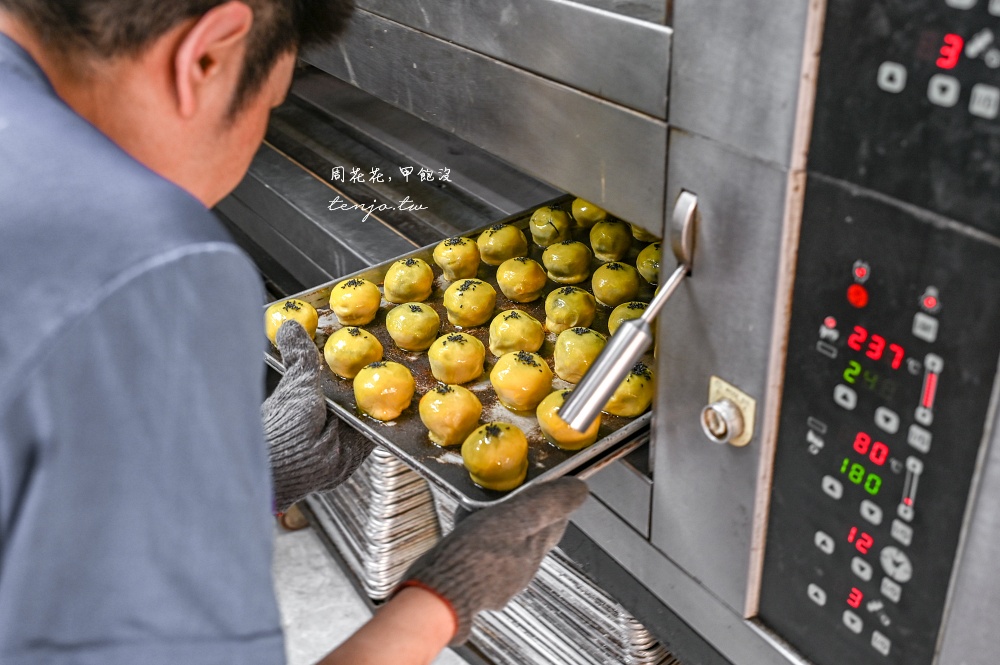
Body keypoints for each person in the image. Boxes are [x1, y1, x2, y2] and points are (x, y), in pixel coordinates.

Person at [0, 2, 588, 664]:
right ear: (208, 55)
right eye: (272, 102)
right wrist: (442, 597)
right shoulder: (148, 263)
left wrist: (247, 470)